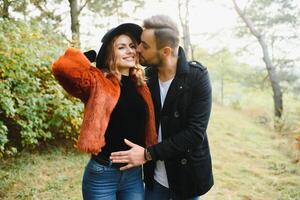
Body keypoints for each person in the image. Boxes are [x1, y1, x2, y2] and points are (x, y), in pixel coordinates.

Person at [110, 15, 214, 199]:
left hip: (186, 179)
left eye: (145, 46)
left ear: (165, 51)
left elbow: (194, 133)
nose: (138, 49)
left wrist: (147, 154)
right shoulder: (145, 78)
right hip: (154, 181)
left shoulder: (197, 77)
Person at [52, 23, 157, 200]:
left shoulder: (141, 86)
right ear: (110, 53)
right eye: (121, 47)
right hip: (103, 174)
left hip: (133, 174)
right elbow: (62, 69)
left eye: (132, 46)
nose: (130, 51)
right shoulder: (98, 82)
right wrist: (91, 56)